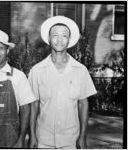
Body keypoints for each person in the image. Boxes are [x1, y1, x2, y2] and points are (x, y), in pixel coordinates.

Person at [29, 16, 97, 149]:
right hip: (44, 140)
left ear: (69, 40)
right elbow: (34, 105)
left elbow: (83, 104)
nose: (59, 40)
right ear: (48, 39)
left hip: (71, 140)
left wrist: (82, 136)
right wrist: (32, 135)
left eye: (64, 36)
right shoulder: (37, 71)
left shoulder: (81, 70)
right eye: (55, 35)